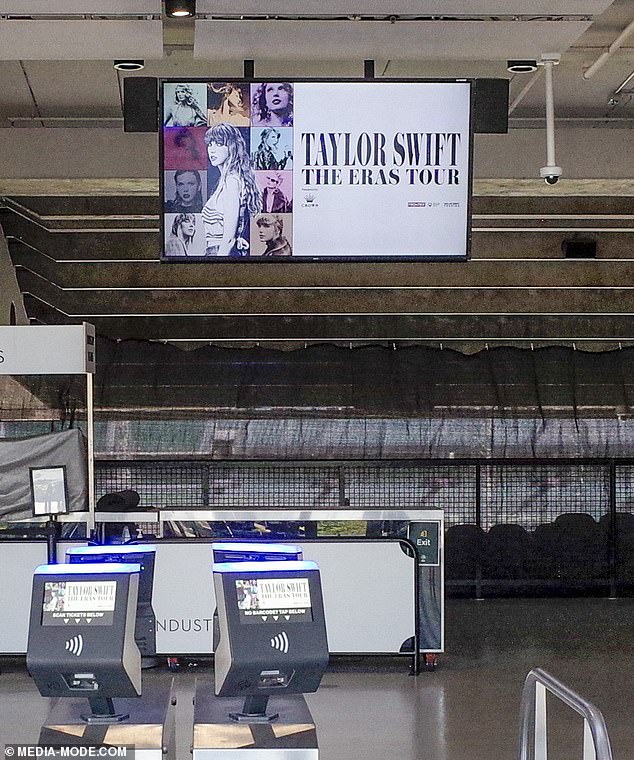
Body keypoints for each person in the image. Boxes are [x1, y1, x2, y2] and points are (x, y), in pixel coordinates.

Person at [202, 123, 262, 257]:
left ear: (232, 147)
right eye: (210, 144)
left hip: (220, 254)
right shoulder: (226, 180)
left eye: (218, 144)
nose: (212, 150)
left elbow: (228, 239)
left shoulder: (232, 181)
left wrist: (217, 268)